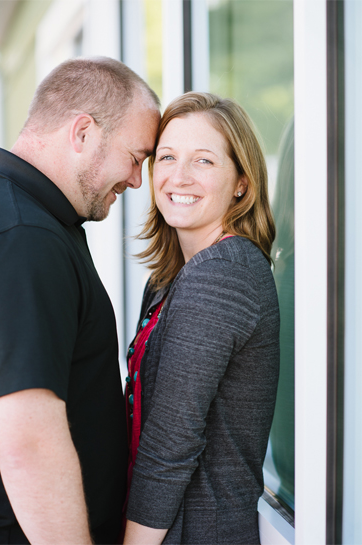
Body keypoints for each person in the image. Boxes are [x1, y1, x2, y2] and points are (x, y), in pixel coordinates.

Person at [0, 56, 160, 545]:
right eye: (136, 157)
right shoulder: (28, 236)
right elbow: (28, 437)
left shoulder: (47, 222)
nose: (137, 181)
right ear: (83, 132)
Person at [123, 92, 279, 545]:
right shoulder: (173, 275)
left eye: (204, 161)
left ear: (241, 183)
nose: (179, 176)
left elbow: (170, 444)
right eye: (167, 157)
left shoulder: (222, 275)